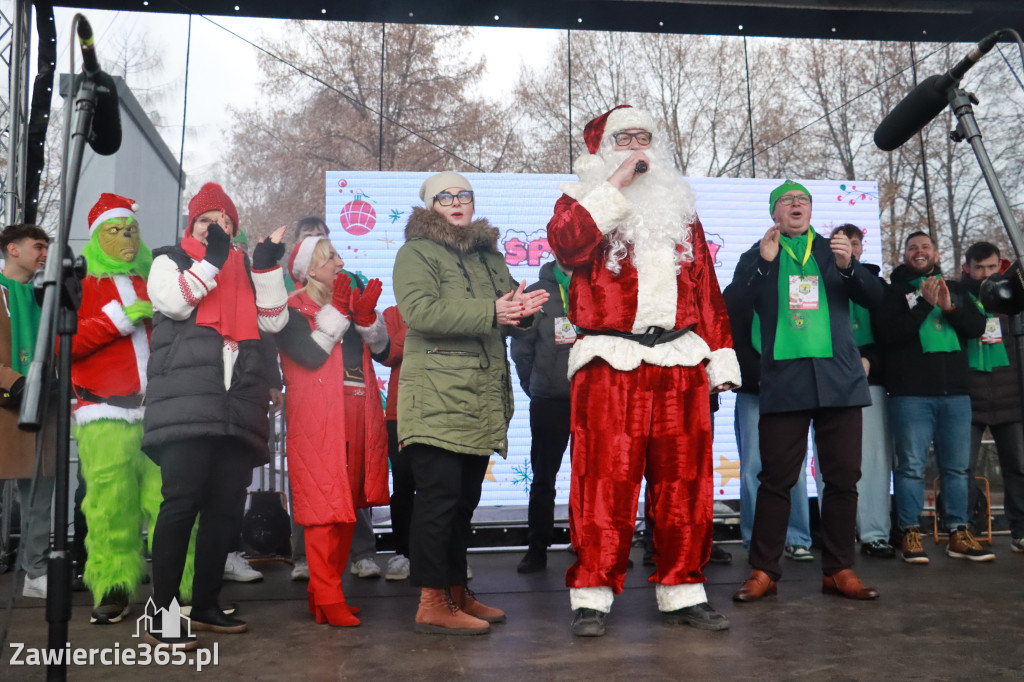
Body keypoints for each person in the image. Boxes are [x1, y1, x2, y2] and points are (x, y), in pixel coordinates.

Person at [547, 105, 740, 637]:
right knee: (604, 483)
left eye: (645, 137)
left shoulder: (680, 206)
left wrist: (719, 358)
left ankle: (682, 590)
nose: (637, 146)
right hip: (611, 361)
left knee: (685, 484)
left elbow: (706, 287)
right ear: (602, 147)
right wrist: (614, 184)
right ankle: (592, 594)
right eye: (624, 137)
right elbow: (565, 244)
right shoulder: (580, 200)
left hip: (679, 360)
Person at [394, 171, 548, 635]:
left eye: (464, 195)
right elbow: (418, 312)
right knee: (438, 501)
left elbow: (505, 314)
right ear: (430, 204)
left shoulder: (488, 255)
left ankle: (456, 592)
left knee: (463, 503)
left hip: (479, 398)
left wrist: (520, 315)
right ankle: (430, 600)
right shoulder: (416, 252)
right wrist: (491, 311)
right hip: (436, 397)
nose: (457, 202)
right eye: (446, 196)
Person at [143, 183, 289, 650]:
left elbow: (273, 322)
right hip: (187, 402)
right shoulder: (170, 260)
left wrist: (265, 268)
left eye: (224, 222)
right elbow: (176, 302)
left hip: (238, 406)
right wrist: (212, 259)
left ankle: (205, 604)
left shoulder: (244, 268)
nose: (216, 229)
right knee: (180, 506)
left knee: (224, 511)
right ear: (192, 227)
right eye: (207, 221)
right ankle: (163, 615)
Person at [731, 180, 883, 604]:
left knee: (842, 479)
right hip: (784, 382)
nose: (796, 204)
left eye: (803, 200)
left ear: (811, 211)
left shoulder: (834, 249)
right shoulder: (758, 254)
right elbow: (732, 307)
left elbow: (877, 299)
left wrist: (850, 267)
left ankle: (839, 569)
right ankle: (764, 570)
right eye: (786, 201)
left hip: (839, 380)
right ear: (774, 215)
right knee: (775, 480)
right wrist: (763, 266)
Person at [70, 194, 195, 624]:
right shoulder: (83, 285)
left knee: (170, 503)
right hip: (104, 414)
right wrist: (116, 320)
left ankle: (176, 591)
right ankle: (113, 588)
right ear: (97, 237)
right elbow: (60, 346)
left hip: (160, 411)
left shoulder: (152, 280)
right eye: (115, 229)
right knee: (110, 506)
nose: (125, 236)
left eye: (131, 229)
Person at [276, 235, 390, 626]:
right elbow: (308, 356)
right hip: (318, 418)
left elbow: (381, 351)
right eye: (330, 258)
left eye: (339, 255)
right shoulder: (291, 308)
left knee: (347, 508)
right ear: (308, 269)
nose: (340, 262)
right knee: (325, 509)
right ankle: (329, 594)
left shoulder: (349, 299)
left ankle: (323, 596)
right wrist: (340, 311)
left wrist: (367, 319)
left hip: (358, 412)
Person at [878, 231, 993, 564]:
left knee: (957, 468)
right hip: (910, 394)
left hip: (955, 394)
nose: (919, 251)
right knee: (911, 467)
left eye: (925, 247)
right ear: (904, 255)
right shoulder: (893, 292)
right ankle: (910, 530)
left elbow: (977, 327)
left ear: (936, 253)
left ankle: (958, 531)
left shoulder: (956, 288)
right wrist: (923, 307)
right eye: (912, 247)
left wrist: (950, 307)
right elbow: (889, 335)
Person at [723, 277, 814, 562]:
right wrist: (758, 378)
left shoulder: (797, 287)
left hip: (792, 391)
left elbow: (805, 333)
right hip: (753, 392)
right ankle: (755, 538)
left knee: (795, 468)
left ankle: (797, 537)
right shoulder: (739, 292)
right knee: (752, 467)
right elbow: (733, 341)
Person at [821, 224, 896, 559]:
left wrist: (870, 361)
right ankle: (835, 533)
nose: (848, 247)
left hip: (869, 382)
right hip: (826, 380)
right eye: (842, 241)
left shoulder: (876, 286)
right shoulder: (817, 281)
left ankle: (875, 533)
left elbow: (892, 337)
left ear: (861, 249)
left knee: (875, 461)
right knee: (830, 461)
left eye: (854, 243)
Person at [510, 257, 575, 574]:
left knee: (593, 478)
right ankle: (537, 548)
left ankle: (590, 544)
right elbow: (521, 348)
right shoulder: (538, 293)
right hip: (549, 399)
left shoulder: (598, 287)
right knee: (544, 477)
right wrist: (534, 385)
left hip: (593, 401)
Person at [0, 224, 54, 600]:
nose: (44, 253)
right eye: (38, 245)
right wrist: (11, 380)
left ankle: (36, 571)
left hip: (40, 405)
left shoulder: (45, 296)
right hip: (5, 402)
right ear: (12, 250)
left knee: (40, 492)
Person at [961, 241, 1024, 551]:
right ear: (967, 269)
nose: (985, 274)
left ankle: (1020, 530)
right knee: (964, 468)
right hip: (970, 399)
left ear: (1001, 266)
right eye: (979, 268)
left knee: (1018, 466)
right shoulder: (958, 297)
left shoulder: (1016, 298)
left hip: (1011, 398)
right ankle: (967, 528)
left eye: (990, 267)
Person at [380, 304, 414, 580]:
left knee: (441, 487)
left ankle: (446, 554)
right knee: (403, 485)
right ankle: (402, 553)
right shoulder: (392, 314)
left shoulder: (450, 309)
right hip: (399, 413)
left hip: (441, 411)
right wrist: (418, 319)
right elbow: (389, 354)